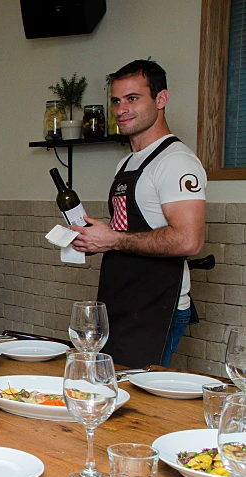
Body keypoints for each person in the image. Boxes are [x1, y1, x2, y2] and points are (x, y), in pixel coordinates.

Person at [70, 59, 206, 369]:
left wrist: (113, 240)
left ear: (161, 99)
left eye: (133, 98)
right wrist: (95, 239)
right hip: (121, 302)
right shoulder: (127, 163)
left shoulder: (176, 162)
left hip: (156, 308)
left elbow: (189, 240)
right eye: (116, 101)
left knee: (137, 406)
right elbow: (125, 230)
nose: (121, 109)